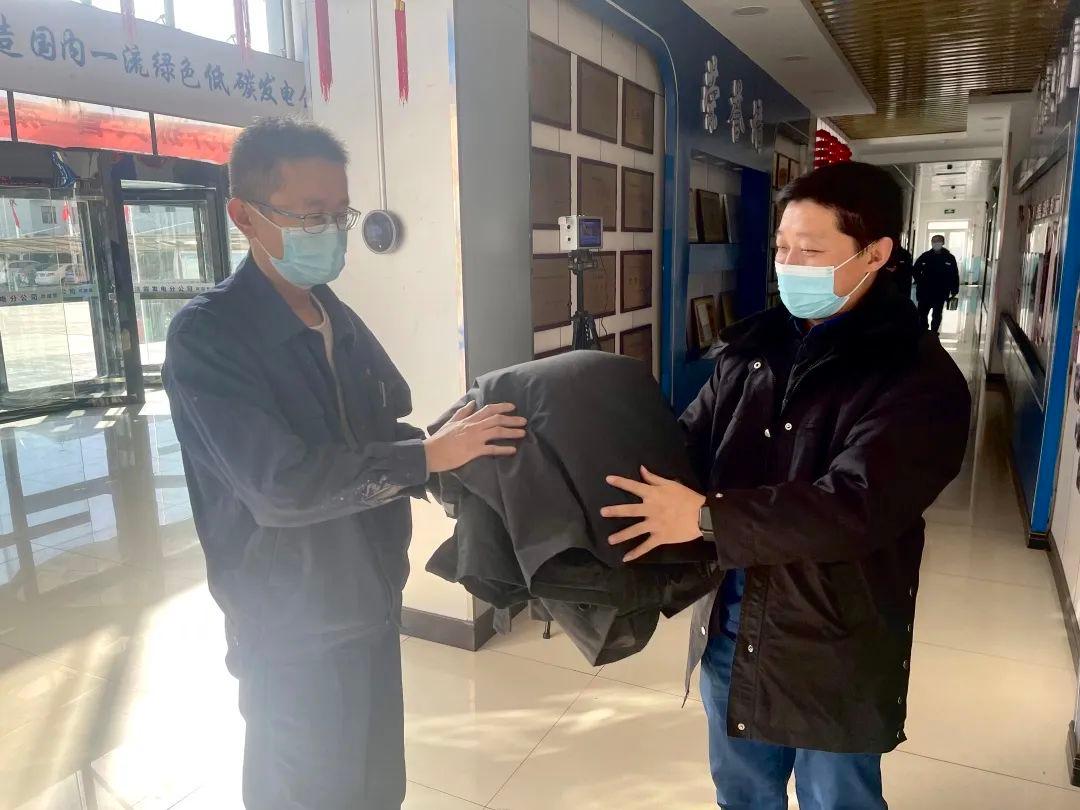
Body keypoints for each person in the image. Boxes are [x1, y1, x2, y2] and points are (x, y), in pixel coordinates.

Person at [162, 117, 526, 809]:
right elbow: (280, 486)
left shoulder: (335, 315)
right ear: (244, 216)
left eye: (340, 214)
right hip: (288, 622)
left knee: (375, 785)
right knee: (305, 791)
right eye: (311, 215)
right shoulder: (210, 337)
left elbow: (374, 435)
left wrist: (456, 455)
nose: (330, 232)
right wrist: (424, 456)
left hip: (368, 596)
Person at [601, 161, 970, 809]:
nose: (789, 264)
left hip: (836, 636)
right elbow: (688, 445)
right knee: (742, 793)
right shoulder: (753, 350)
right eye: (781, 247)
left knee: (837, 800)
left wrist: (708, 517)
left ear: (875, 254)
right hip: (735, 624)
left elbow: (856, 506)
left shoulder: (917, 377)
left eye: (811, 250)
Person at [914, 234, 960, 335]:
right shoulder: (925, 256)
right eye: (934, 241)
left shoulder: (949, 258)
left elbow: (954, 274)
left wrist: (954, 290)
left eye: (938, 241)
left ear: (943, 243)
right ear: (931, 243)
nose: (936, 243)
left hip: (941, 291)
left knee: (937, 314)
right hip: (924, 291)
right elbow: (915, 270)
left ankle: (934, 332)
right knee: (922, 313)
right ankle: (924, 330)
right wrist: (920, 281)